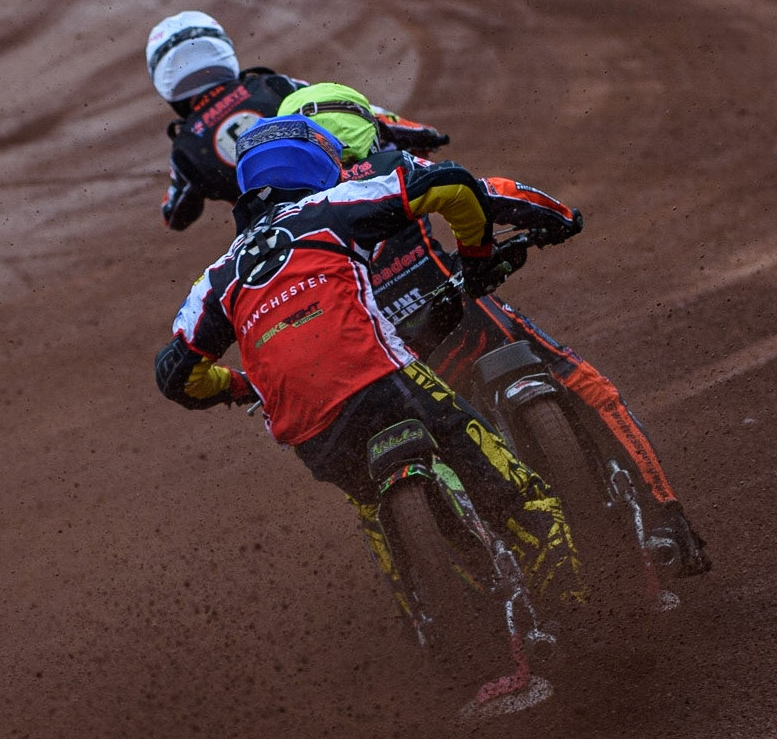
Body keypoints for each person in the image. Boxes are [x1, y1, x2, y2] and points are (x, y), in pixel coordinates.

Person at [155, 116, 580, 636]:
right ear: (315, 164)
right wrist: (477, 255)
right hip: (382, 380)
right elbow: (448, 184)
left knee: (371, 506)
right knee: (507, 484)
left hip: (309, 430)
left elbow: (176, 372)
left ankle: (432, 627)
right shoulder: (329, 208)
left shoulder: (217, 277)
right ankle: (580, 602)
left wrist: (243, 386)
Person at [280, 82, 712, 577]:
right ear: (364, 126)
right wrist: (560, 218)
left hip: (391, 368)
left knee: (399, 480)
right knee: (586, 384)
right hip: (463, 319)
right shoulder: (392, 169)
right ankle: (666, 516)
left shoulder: (293, 222)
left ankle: (463, 592)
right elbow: (487, 193)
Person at [145, 11, 447, 231]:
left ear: (164, 78)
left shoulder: (185, 149)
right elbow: (354, 111)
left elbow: (174, 215)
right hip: (346, 193)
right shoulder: (269, 87)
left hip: (283, 233)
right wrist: (424, 134)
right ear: (220, 48)